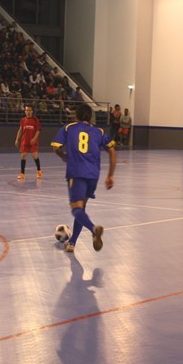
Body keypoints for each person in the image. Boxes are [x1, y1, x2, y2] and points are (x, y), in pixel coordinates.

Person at [51, 103, 116, 253]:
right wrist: (110, 175)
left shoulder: (69, 128)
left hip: (76, 172)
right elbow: (113, 152)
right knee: (82, 208)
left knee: (76, 210)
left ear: (76, 116)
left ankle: (94, 229)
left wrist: (63, 156)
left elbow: (56, 147)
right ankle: (72, 243)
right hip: (93, 175)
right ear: (90, 117)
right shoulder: (99, 132)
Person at [15, 104, 42, 180]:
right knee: (23, 156)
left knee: (35, 156)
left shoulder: (35, 120)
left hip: (32, 142)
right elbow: (20, 130)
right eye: (27, 110)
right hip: (25, 141)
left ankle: (39, 170)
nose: (28, 112)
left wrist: (34, 139)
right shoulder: (23, 120)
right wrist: (17, 139)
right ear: (25, 111)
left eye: (29, 110)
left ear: (32, 111)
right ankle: (22, 173)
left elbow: (38, 131)